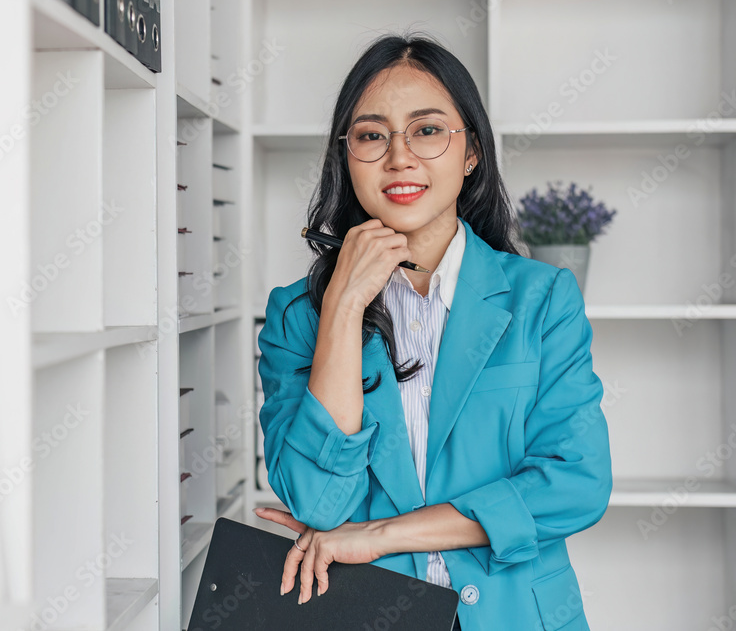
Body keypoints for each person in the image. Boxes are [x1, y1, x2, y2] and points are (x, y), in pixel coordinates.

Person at [254, 32, 612, 631]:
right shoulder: (297, 315)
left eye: (426, 130)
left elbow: (575, 483)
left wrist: (379, 536)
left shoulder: (542, 301)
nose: (399, 158)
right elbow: (318, 503)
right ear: (346, 155)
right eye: (372, 135)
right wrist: (343, 306)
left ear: (470, 150)